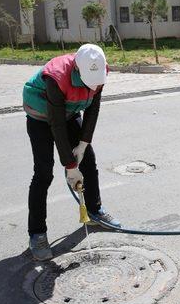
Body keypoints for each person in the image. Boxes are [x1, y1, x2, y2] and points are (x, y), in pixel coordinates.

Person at [22, 44, 120, 261]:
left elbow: (93, 110)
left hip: (68, 112)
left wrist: (83, 145)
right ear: (76, 69)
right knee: (43, 173)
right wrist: (70, 166)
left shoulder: (98, 72)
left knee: (89, 161)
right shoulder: (56, 76)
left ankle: (94, 212)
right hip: (41, 115)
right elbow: (56, 125)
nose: (94, 85)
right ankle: (37, 234)